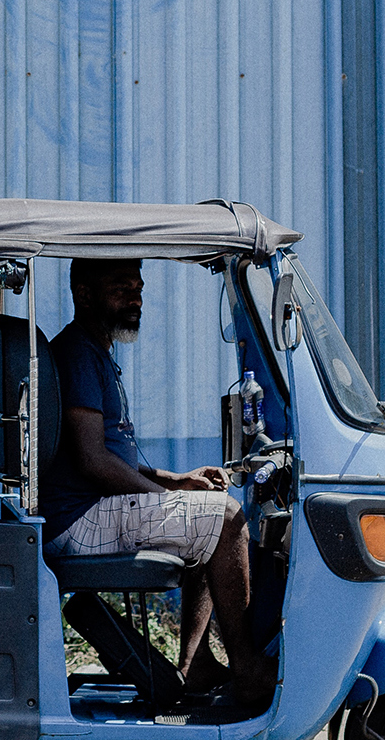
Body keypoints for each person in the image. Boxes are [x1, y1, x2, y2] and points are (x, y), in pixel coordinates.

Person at [45, 257, 276, 704]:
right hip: (77, 521)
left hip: (89, 510)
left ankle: (195, 664)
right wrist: (162, 497)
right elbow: (93, 462)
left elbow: (104, 457)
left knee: (206, 512)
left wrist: (177, 481)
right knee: (225, 518)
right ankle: (248, 669)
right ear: (84, 293)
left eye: (139, 288)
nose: (135, 298)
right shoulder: (77, 352)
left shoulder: (97, 352)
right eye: (120, 288)